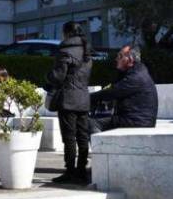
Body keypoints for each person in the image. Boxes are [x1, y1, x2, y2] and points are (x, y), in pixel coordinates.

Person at [45, 21, 93, 185]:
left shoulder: (65, 51)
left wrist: (48, 76)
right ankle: (82, 170)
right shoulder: (87, 51)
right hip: (83, 98)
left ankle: (70, 171)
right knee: (82, 136)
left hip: (68, 100)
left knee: (69, 137)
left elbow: (58, 76)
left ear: (66, 33)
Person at [90, 45, 158, 131]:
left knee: (91, 123)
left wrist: (88, 98)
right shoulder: (136, 72)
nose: (116, 59)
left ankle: (100, 140)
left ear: (130, 60)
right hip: (137, 120)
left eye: (120, 56)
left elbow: (112, 92)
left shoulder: (135, 77)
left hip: (137, 122)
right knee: (100, 117)